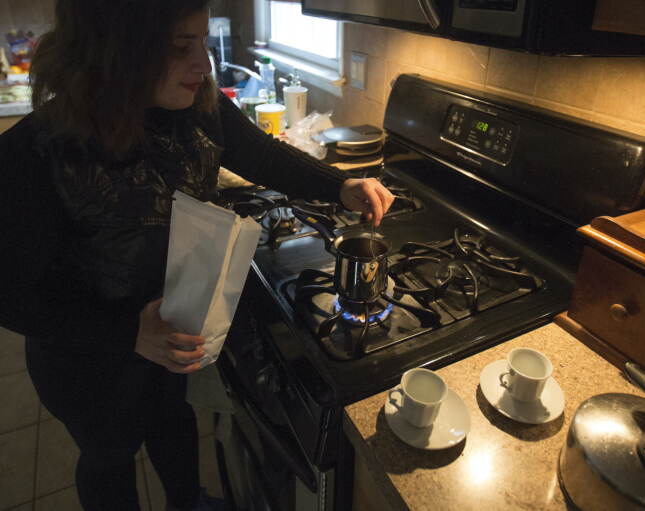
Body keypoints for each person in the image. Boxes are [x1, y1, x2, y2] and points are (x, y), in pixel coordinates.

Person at [0, 1, 394, 510]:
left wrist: (341, 185)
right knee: (108, 456)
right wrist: (128, 333)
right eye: (180, 46)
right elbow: (9, 295)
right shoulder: (36, 152)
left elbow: (261, 154)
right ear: (113, 51)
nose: (203, 64)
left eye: (202, 41)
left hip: (175, 325)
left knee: (174, 423)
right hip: (87, 361)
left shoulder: (198, 106)